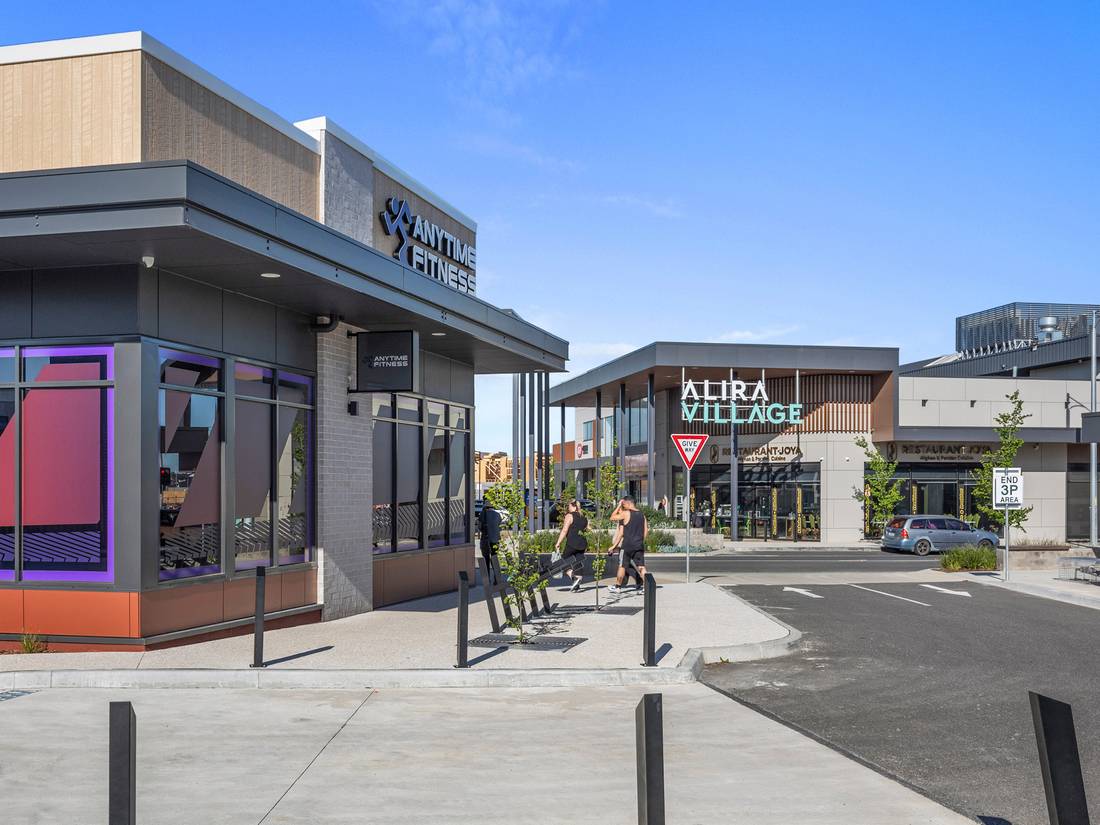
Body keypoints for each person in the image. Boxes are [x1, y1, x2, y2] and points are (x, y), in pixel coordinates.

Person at [608, 495, 648, 594]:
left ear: (628, 503)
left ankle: (618, 587)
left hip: (627, 545)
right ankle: (647, 587)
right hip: (639, 544)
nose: (623, 506)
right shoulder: (642, 515)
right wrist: (640, 541)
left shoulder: (626, 513)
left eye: (623, 504)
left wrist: (618, 506)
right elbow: (646, 531)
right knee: (641, 566)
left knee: (622, 566)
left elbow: (612, 517)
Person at [553, 500, 588, 592]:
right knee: (578, 563)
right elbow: (586, 529)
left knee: (562, 562)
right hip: (582, 543)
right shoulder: (583, 517)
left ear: (574, 507)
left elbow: (565, 530)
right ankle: (577, 583)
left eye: (569, 506)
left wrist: (558, 542)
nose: (568, 508)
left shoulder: (569, 516)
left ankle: (573, 577)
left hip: (572, 543)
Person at [479, 500, 502, 583]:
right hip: (495, 540)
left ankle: (487, 580)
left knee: (486, 560)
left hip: (485, 540)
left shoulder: (483, 514)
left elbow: (480, 527)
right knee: (495, 559)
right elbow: (499, 525)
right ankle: (497, 579)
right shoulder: (498, 514)